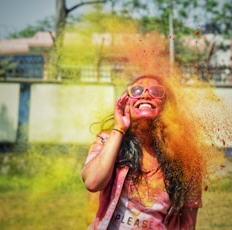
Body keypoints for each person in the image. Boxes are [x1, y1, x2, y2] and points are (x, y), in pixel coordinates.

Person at [82, 74, 206, 230]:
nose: (146, 95)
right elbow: (93, 182)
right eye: (137, 90)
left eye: (156, 91)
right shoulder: (108, 140)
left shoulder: (186, 159)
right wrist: (119, 128)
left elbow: (187, 225)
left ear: (166, 107)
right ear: (127, 103)